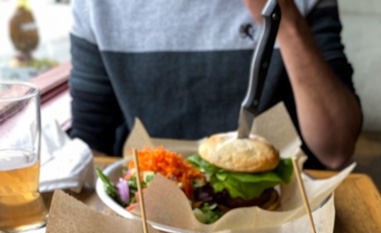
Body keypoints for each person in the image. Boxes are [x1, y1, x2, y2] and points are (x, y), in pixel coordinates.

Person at [69, 0, 362, 170]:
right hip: (146, 212)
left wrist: (285, 22)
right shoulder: (95, 6)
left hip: (283, 214)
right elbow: (90, 143)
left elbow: (336, 149)